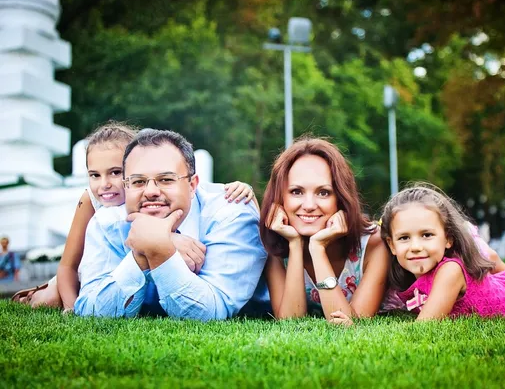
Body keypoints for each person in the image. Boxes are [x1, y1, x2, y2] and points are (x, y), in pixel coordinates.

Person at [11, 122, 255, 312]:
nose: (105, 185)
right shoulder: (95, 205)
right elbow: (68, 266)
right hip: (84, 270)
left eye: (115, 172)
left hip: (110, 267)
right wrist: (72, 307)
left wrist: (244, 188)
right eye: (94, 175)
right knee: (50, 297)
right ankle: (38, 291)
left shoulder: (215, 206)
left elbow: (199, 191)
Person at [74, 128, 266, 320]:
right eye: (138, 181)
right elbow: (90, 313)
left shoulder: (230, 214)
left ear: (192, 186)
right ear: (126, 186)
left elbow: (211, 313)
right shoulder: (108, 223)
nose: (150, 191)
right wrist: (142, 256)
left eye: (165, 179)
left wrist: (159, 251)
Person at [342, 183, 505, 323]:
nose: (416, 246)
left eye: (427, 235)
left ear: (448, 239)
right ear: (391, 245)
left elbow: (425, 329)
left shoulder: (450, 271)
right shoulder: (411, 281)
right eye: (404, 238)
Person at [260, 137, 390, 323]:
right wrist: (295, 245)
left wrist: (317, 248)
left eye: (323, 193)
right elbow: (290, 322)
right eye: (296, 191)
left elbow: (351, 323)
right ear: (280, 197)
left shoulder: (374, 244)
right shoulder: (275, 245)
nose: (309, 205)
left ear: (340, 197)